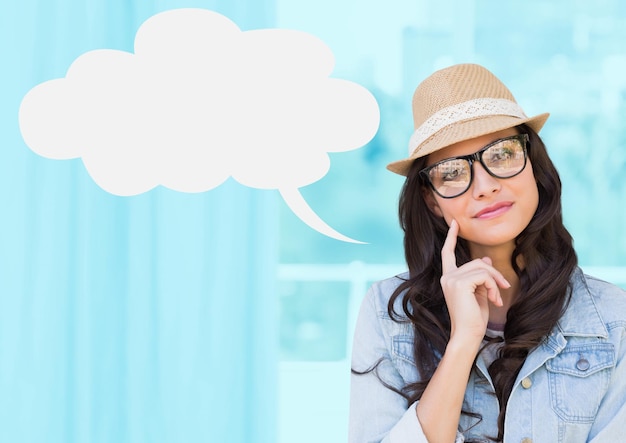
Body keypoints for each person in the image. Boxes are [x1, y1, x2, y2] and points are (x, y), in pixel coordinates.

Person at [349, 63, 626, 442]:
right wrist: (464, 340)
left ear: (534, 164)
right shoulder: (389, 314)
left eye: (502, 154)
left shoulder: (613, 320)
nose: (484, 186)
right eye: (451, 172)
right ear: (431, 200)